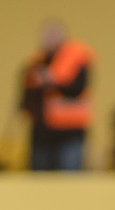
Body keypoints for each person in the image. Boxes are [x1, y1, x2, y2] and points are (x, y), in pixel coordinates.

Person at [20, 20, 94, 173]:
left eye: (53, 34)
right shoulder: (35, 60)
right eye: (46, 35)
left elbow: (77, 89)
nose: (49, 39)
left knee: (70, 179)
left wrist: (50, 80)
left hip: (70, 130)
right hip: (41, 131)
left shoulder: (77, 57)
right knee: (39, 180)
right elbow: (26, 90)